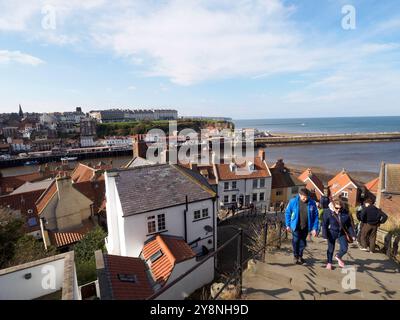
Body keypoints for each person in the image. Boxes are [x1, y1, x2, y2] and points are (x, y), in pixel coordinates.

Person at [285, 188, 319, 265]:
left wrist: (315, 228)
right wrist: (287, 225)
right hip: (296, 226)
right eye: (304, 197)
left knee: (302, 242)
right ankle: (295, 256)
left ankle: (300, 256)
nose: (305, 198)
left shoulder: (312, 203)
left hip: (306, 227)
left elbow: (316, 216)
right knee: (296, 240)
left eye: (307, 197)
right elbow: (287, 213)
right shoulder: (293, 202)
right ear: (300, 195)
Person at [322, 199, 356, 270]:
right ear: (333, 206)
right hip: (331, 232)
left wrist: (352, 235)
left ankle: (338, 256)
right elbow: (324, 224)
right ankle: (329, 263)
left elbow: (349, 225)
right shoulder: (327, 212)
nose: (338, 210)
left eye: (340, 208)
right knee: (331, 249)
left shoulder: (345, 213)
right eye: (337, 208)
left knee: (344, 248)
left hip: (341, 233)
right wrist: (325, 235)